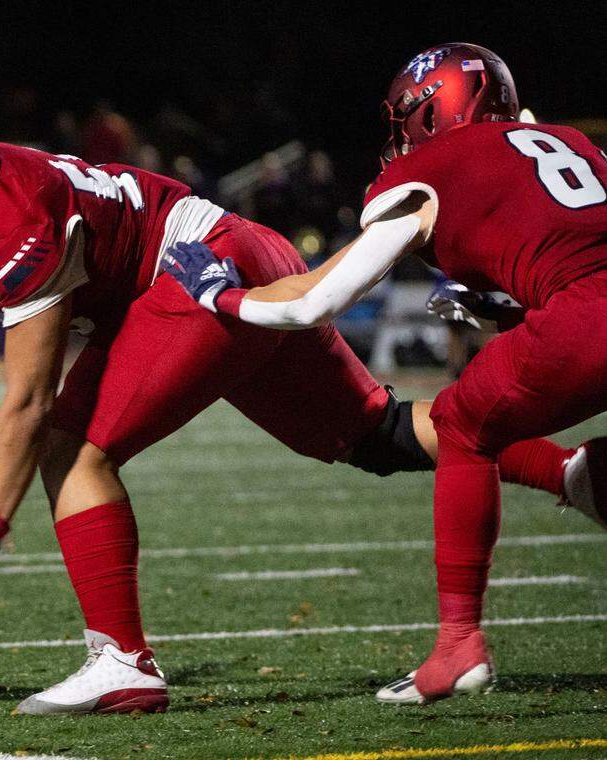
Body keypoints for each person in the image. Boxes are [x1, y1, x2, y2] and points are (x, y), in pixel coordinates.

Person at [0, 113, 585, 715]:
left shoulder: (18, 222)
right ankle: (574, 476)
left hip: (194, 272)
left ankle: (121, 661)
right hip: (235, 252)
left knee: (72, 448)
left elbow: (30, 402)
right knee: (376, 433)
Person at [159, 43, 607, 705]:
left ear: (434, 108)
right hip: (585, 308)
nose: (400, 138)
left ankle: (458, 647)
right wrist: (505, 302)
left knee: (459, 425)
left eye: (406, 119)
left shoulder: (432, 167)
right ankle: (590, 477)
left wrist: (220, 296)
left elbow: (314, 302)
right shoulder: (571, 141)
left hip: (585, 319)